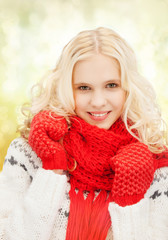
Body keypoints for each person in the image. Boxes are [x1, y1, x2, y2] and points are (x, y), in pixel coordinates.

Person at [0, 27, 168, 240]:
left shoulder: (155, 163)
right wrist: (52, 170)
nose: (98, 101)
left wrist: (131, 201)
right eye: (83, 88)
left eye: (111, 85)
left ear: (129, 88)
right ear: (65, 88)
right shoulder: (28, 152)